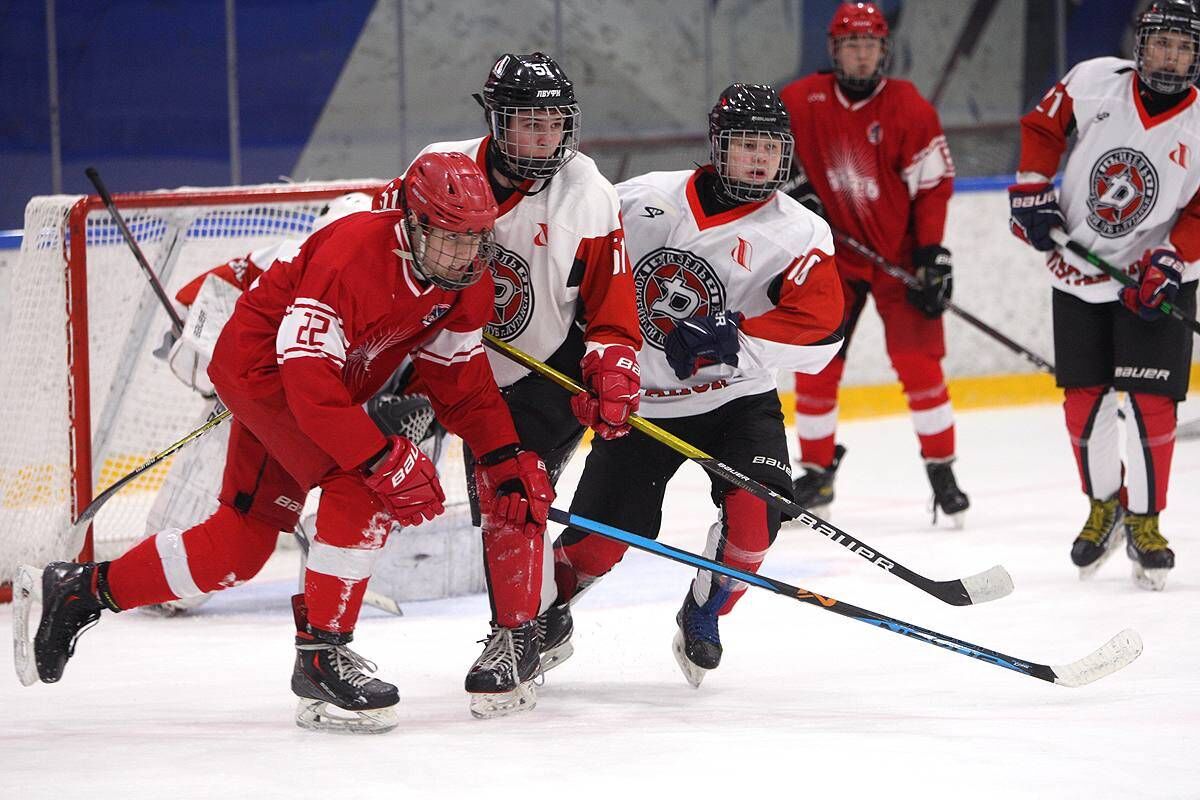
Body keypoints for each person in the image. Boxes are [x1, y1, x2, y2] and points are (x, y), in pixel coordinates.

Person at [18, 152, 554, 734]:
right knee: (361, 487)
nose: (463, 255)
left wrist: (504, 457)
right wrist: (380, 458)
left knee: (238, 548)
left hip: (321, 385)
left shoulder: (466, 283)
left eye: (475, 238)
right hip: (263, 375)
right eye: (449, 238)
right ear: (414, 223)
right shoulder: (350, 256)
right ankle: (322, 656)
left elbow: (461, 384)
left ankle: (79, 591)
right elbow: (306, 381)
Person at [543, 84, 845, 687]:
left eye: (771, 146)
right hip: (641, 406)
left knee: (757, 517)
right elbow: (576, 263)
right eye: (746, 145)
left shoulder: (802, 233)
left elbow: (824, 331)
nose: (760, 159)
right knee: (600, 542)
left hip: (737, 403)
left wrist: (735, 334)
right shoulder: (641, 199)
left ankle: (705, 608)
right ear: (718, 147)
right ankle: (543, 619)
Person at [411, 52, 642, 719]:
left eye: (553, 124)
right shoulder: (441, 169)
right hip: (457, 364)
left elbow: (612, 306)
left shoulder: (588, 192)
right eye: (525, 124)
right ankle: (539, 619)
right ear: (494, 120)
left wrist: (613, 366)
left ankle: (515, 638)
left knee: (508, 492)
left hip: (550, 371)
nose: (541, 139)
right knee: (495, 494)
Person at [1008, 0, 1200, 590]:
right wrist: (1034, 190)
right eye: (1162, 43)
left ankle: (1146, 522)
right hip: (1078, 269)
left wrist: (1173, 259)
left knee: (1149, 403)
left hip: (1154, 278)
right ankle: (1104, 505)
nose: (1171, 55)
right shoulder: (1093, 81)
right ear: (1140, 44)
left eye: (1184, 46)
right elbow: (1042, 128)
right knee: (1085, 402)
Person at [778, 1, 969, 523]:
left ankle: (941, 468)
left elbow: (932, 187)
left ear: (884, 51)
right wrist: (794, 188)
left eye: (869, 46)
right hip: (833, 261)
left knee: (919, 364)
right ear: (834, 52)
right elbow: (760, 149)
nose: (861, 57)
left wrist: (931, 256)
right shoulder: (800, 100)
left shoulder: (909, 107)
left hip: (897, 258)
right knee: (817, 363)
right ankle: (816, 473)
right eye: (851, 46)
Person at [144, 191, 376, 617]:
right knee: (220, 510)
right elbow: (193, 297)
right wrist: (207, 351)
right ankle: (156, 583)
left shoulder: (380, 286)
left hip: (310, 413)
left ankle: (325, 594)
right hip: (246, 400)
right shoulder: (285, 257)